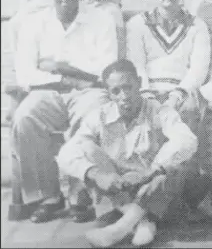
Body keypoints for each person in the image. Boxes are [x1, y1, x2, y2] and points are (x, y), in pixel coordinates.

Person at [10, 0, 118, 223]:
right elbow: (26, 74)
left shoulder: (101, 19)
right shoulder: (34, 23)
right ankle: (48, 197)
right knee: (25, 117)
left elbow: (105, 70)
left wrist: (59, 66)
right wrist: (64, 78)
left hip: (89, 92)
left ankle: (80, 194)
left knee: (93, 116)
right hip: (47, 91)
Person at [57, 60, 198, 247]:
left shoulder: (159, 111)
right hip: (119, 190)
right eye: (116, 91)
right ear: (108, 92)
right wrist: (97, 175)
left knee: (175, 166)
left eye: (128, 87)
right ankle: (142, 221)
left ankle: (119, 229)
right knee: (87, 147)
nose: (124, 96)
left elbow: (187, 140)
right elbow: (66, 153)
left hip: (152, 187)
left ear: (139, 83)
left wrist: (153, 170)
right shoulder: (100, 115)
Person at [126, 0, 210, 129]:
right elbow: (137, 65)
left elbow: (199, 69)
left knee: (190, 111)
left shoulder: (197, 25)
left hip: (183, 92)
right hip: (148, 92)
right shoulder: (137, 24)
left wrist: (177, 96)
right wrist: (148, 96)